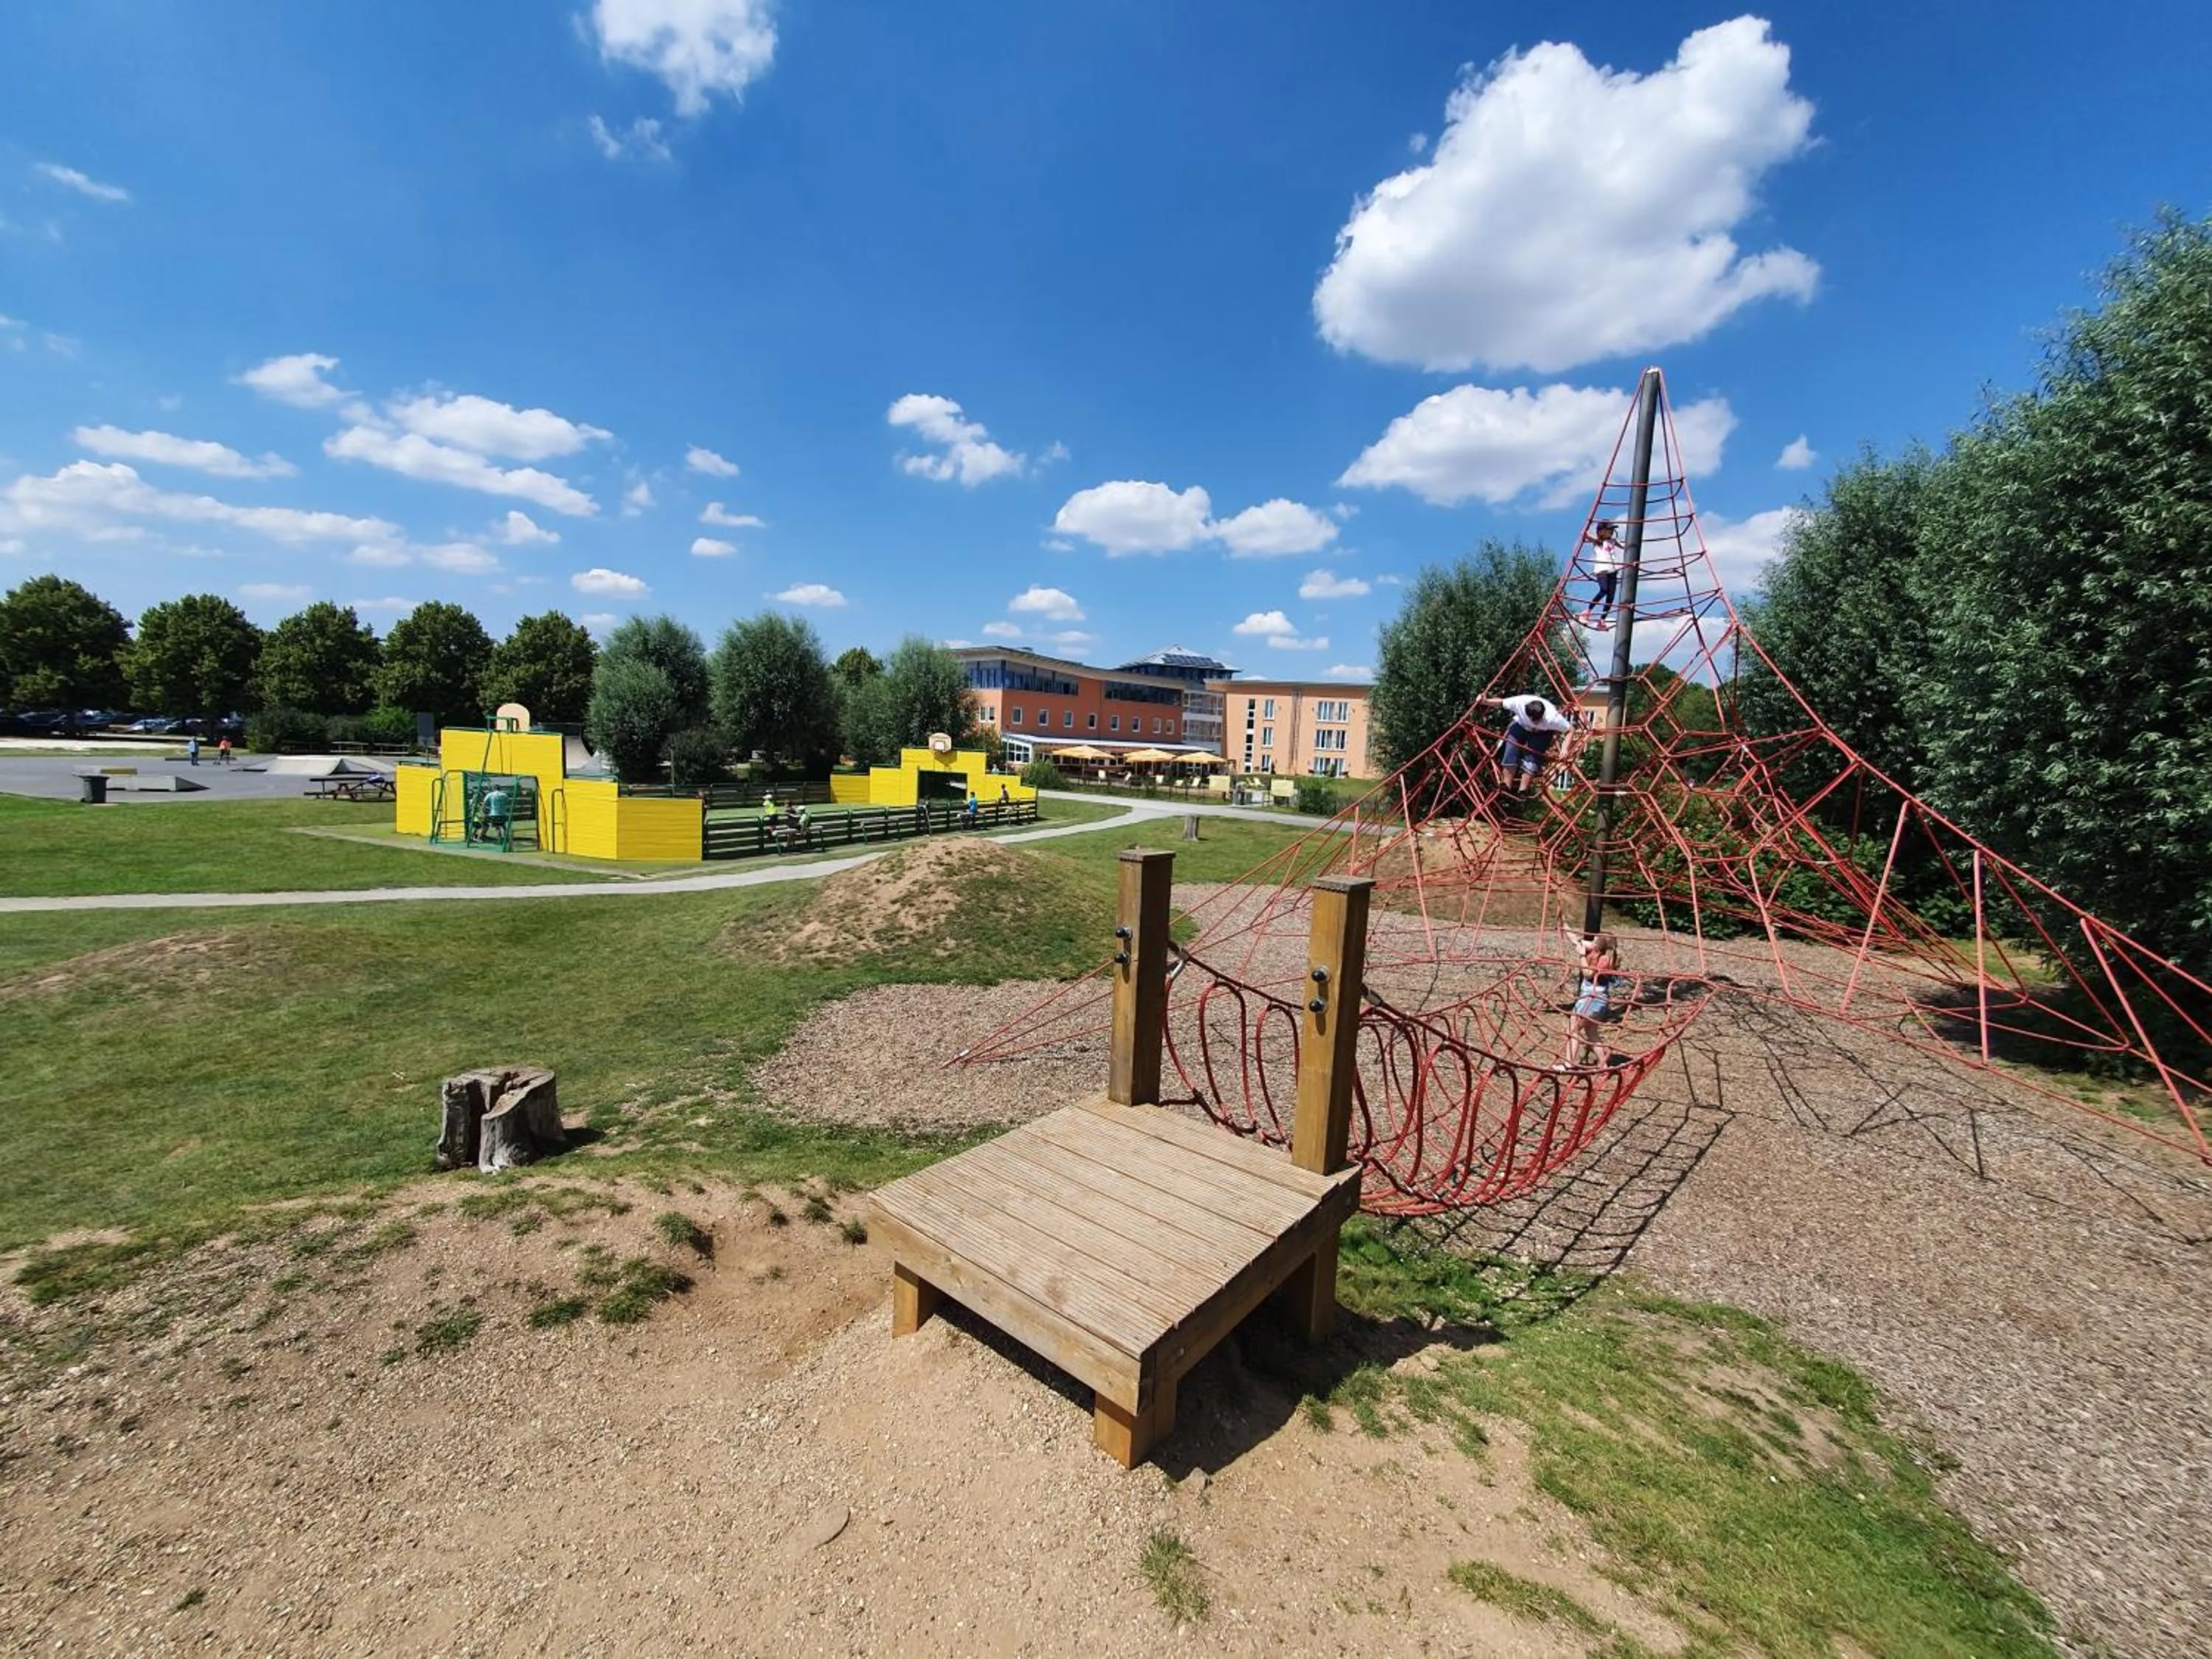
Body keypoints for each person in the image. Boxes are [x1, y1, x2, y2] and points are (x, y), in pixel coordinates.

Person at [1482, 695, 1573, 796]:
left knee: (1533, 757)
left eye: (1538, 720)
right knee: (1510, 750)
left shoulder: (1552, 718)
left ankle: (1523, 791)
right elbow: (1501, 702)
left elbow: (1570, 730)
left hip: (1542, 733)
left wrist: (1565, 748)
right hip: (1520, 726)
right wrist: (1485, 701)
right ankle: (1506, 786)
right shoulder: (1519, 703)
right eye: (1532, 719)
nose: (1535, 722)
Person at [1557, 928, 1622, 1069]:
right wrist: (1564, 925)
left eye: (1594, 940)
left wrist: (1582, 956)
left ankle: (1568, 1064)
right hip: (1595, 999)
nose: (1591, 942)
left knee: (1573, 1029)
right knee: (1591, 1031)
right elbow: (1576, 941)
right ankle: (1604, 1065)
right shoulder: (1597, 951)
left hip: (1593, 999)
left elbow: (1587, 974)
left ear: (1600, 945)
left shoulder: (1605, 959)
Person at [1578, 519, 1625, 630]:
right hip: (1602, 570)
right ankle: (1586, 612)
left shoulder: (1613, 541)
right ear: (1602, 531)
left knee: (1611, 597)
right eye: (1609, 530)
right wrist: (1589, 525)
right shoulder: (1597, 541)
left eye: (1612, 530)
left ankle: (1602, 620)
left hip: (1613, 570)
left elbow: (1624, 546)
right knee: (1604, 590)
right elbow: (1584, 535)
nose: (1611, 532)